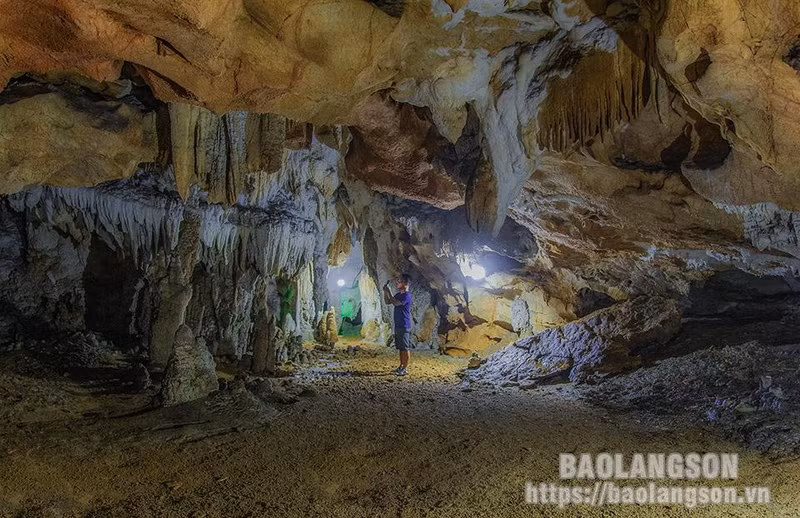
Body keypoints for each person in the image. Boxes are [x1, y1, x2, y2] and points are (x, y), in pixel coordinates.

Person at [383, 274, 412, 376]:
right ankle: (401, 366)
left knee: (405, 348)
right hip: (398, 324)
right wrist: (385, 292)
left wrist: (389, 291)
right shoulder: (399, 294)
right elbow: (387, 301)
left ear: (405, 284)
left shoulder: (406, 296)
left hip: (404, 324)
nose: (397, 283)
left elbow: (395, 303)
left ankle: (405, 368)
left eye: (399, 281)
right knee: (400, 348)